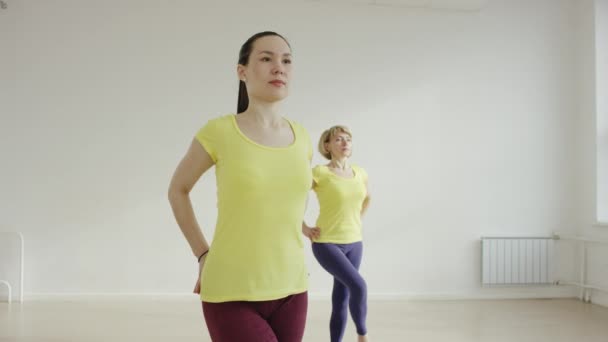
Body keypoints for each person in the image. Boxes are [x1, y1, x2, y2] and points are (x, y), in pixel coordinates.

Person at [168, 31, 313, 342]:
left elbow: (281, 203)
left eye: (286, 60)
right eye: (266, 58)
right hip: (231, 290)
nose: (279, 67)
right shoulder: (219, 132)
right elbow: (178, 189)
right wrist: (202, 253)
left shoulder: (303, 138)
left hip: (293, 290)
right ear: (242, 71)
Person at [302, 125, 371, 342]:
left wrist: (356, 220)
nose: (345, 143)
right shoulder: (319, 173)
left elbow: (367, 198)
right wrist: (303, 227)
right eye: (339, 139)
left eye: (348, 139)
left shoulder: (360, 172)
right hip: (326, 243)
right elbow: (293, 198)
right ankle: (363, 335)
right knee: (359, 285)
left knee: (342, 296)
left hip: (355, 243)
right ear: (327, 146)